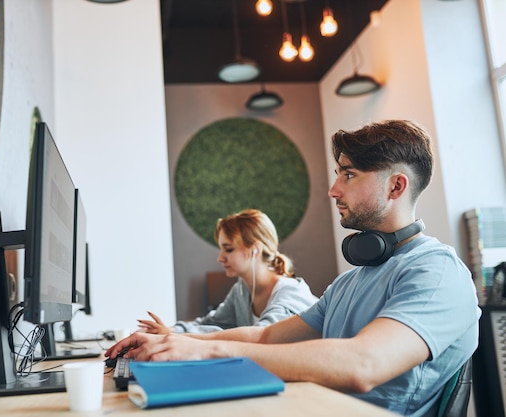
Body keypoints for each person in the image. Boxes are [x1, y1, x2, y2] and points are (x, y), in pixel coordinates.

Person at [106, 120, 480, 417]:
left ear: (396, 186)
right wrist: (178, 342)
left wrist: (206, 353)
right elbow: (266, 338)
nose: (334, 189)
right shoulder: (350, 282)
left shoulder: (437, 273)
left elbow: (363, 364)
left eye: (348, 174)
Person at [137, 209, 319, 334]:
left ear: (255, 249)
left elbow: (261, 336)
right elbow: (209, 324)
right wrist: (170, 331)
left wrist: (176, 336)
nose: (220, 258)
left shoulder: (289, 292)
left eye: (229, 249)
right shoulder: (242, 290)